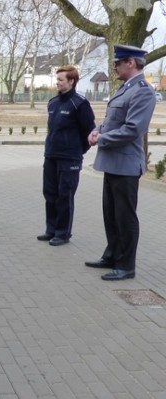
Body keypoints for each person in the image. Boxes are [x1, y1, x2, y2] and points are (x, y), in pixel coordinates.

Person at [85, 44, 156, 281]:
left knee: (125, 217)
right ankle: (112, 255)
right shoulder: (124, 89)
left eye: (118, 62)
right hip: (112, 162)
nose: (114, 66)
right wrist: (97, 131)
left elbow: (133, 129)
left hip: (126, 165)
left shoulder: (143, 91)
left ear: (131, 63)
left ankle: (126, 265)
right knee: (111, 214)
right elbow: (111, 121)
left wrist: (103, 139)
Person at [37, 65, 95, 246]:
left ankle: (63, 234)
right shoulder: (53, 103)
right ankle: (51, 229)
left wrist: (77, 151)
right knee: (50, 194)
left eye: (61, 80)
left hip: (69, 158)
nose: (57, 83)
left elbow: (89, 133)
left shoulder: (80, 104)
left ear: (72, 81)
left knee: (65, 196)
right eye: (57, 80)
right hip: (51, 155)